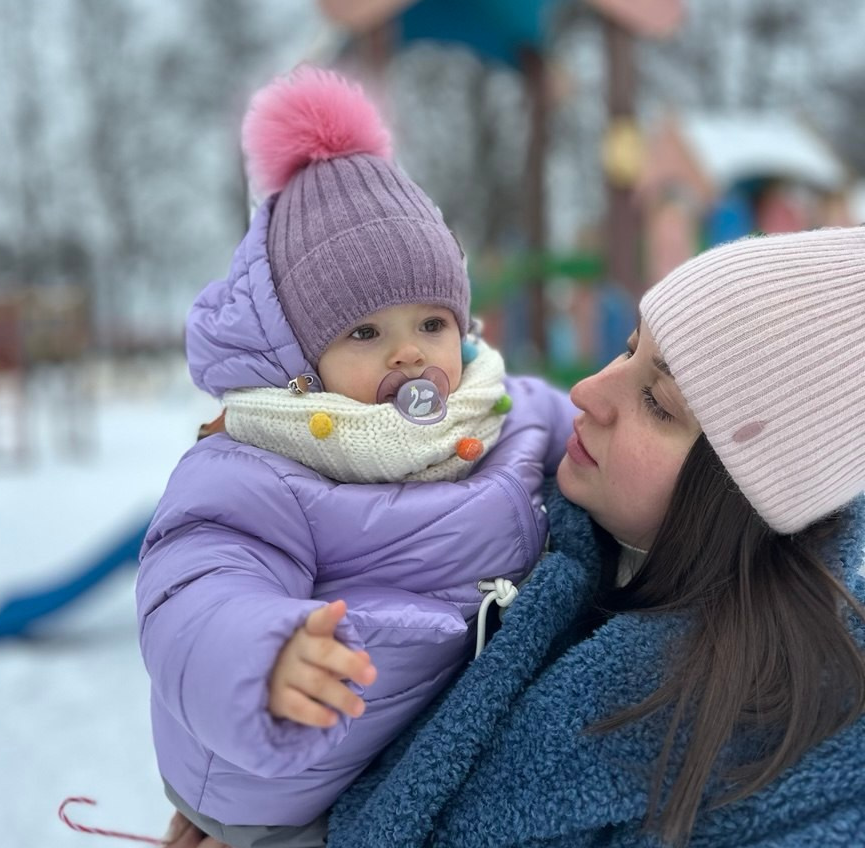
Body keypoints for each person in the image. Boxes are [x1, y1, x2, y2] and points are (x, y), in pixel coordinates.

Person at [135, 67, 575, 848]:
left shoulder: (509, 410)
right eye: (365, 333)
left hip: (428, 751)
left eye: (432, 324)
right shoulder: (260, 465)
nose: (410, 354)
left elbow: (600, 440)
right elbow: (195, 588)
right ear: (302, 361)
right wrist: (266, 656)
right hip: (294, 785)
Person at [325, 225, 865, 848]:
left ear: (742, 497)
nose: (586, 392)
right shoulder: (501, 511)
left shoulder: (815, 744)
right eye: (628, 349)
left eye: (657, 402)